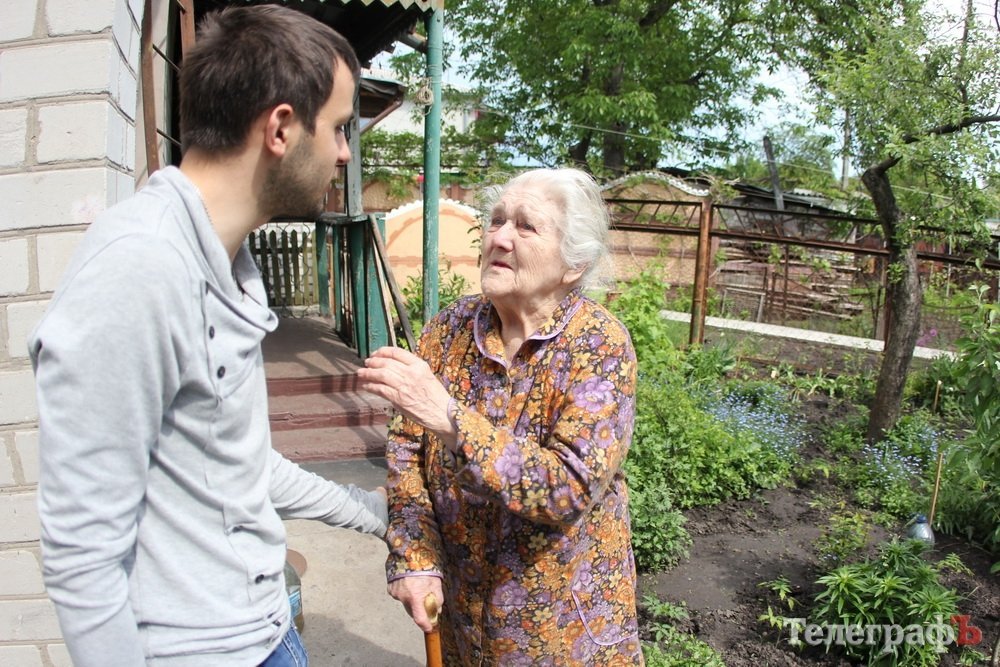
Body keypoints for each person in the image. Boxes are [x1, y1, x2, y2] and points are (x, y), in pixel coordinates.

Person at [28, 6, 387, 666]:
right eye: (338, 128)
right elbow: (82, 553)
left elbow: (236, 463)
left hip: (264, 630)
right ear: (281, 127)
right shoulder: (139, 270)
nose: (343, 151)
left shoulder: (224, 259)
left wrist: (374, 510)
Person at [358, 168, 643, 664]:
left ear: (572, 265)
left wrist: (450, 418)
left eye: (525, 227)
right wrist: (415, 558)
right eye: (495, 221)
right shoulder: (448, 330)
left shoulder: (598, 346)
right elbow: (406, 454)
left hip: (561, 628)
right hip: (465, 622)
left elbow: (567, 487)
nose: (500, 238)